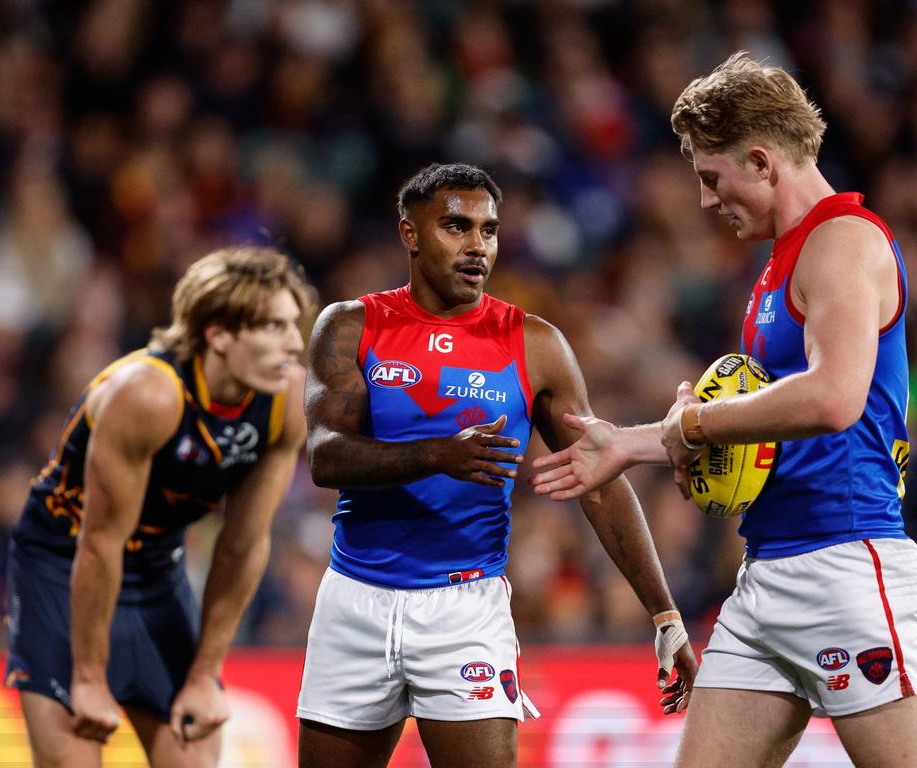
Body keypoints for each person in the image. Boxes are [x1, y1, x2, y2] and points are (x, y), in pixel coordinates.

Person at [529, 52, 917, 767]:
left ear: (764, 162)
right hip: (768, 571)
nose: (707, 201)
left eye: (712, 178)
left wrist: (694, 426)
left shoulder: (842, 242)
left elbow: (834, 399)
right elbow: (760, 426)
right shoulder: (778, 262)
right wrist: (631, 443)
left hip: (845, 565)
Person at [296, 162, 697, 768]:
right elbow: (325, 456)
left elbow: (599, 481)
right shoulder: (352, 325)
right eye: (456, 227)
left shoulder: (533, 343)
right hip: (355, 599)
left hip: (465, 607)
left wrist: (665, 614)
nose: (477, 245)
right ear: (409, 235)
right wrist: (438, 455)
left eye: (489, 230)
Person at [4, 246, 316, 767]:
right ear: (218, 334)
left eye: (294, 325)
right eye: (274, 327)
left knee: (193, 755)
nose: (293, 344)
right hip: (63, 565)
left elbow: (243, 543)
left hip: (155, 569)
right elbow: (100, 541)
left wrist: (203, 675)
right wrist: (88, 676)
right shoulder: (149, 395)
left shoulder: (287, 401)